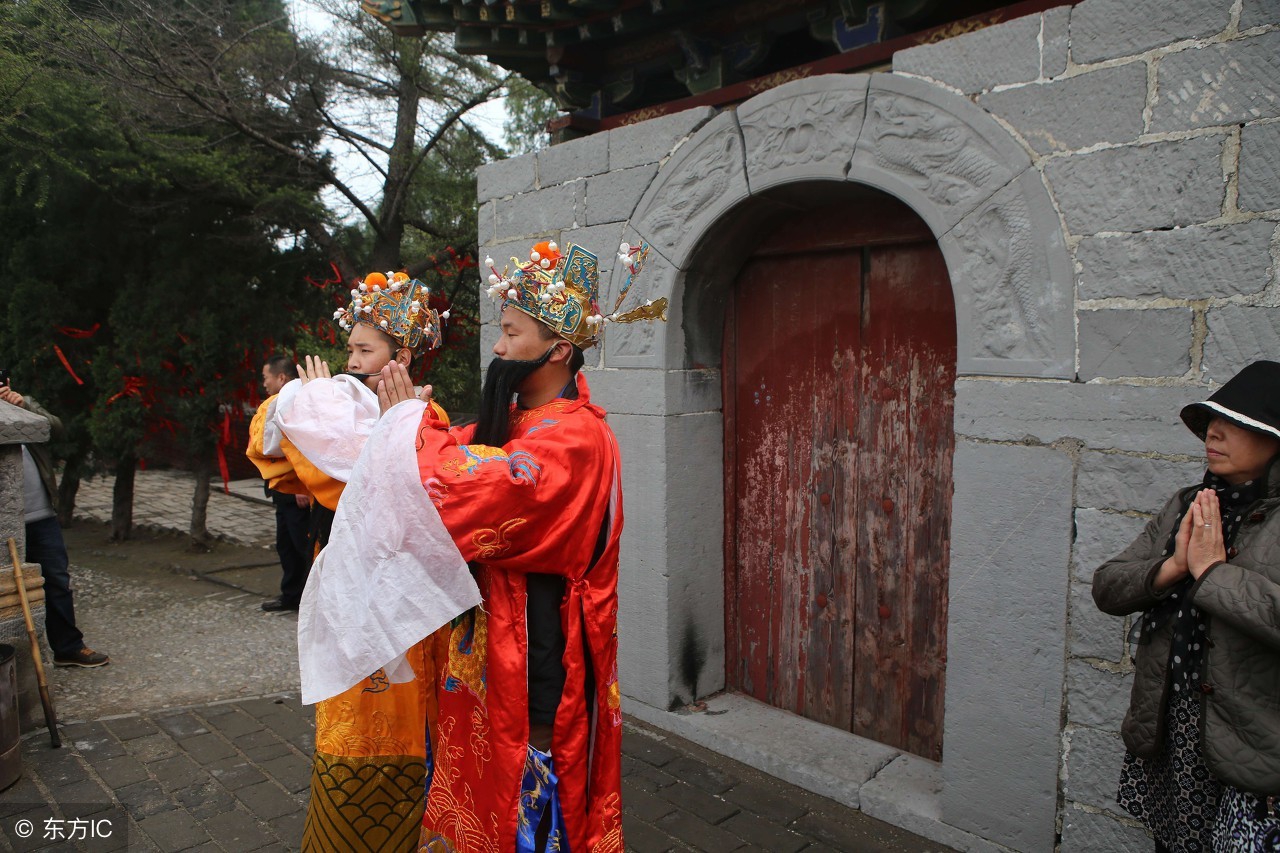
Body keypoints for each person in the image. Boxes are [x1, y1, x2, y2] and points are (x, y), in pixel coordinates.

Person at [360, 239, 662, 853]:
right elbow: (456, 447)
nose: (497, 348)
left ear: (559, 349)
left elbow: (473, 493)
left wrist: (411, 433)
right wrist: (414, 429)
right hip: (491, 652)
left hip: (540, 656)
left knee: (531, 802)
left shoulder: (577, 438)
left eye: (510, 333)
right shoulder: (523, 420)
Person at [278, 270, 456, 853]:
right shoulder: (337, 413)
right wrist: (307, 408)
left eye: (363, 349)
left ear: (401, 356)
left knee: (412, 719)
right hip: (352, 592)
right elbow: (283, 459)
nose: (349, 360)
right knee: (352, 719)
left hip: (405, 594)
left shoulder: (432, 421)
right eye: (350, 348)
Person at [1094, 359, 1280, 852]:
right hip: (1171, 724)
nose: (1213, 432)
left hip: (1253, 743)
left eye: (1235, 423)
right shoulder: (1187, 503)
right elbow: (1108, 585)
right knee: (1174, 844)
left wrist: (1214, 574)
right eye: (1210, 422)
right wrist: (1171, 568)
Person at [0, 384, 109, 668]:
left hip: (40, 512)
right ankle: (15, 655)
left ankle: (68, 647)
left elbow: (56, 430)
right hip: (4, 519)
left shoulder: (18, 400)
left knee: (57, 580)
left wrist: (24, 406)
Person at [246, 355, 312, 612]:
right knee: (286, 545)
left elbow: (303, 444)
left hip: (297, 488)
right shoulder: (278, 401)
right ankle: (291, 595)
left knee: (303, 546)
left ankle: (309, 599)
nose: (264, 383)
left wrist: (304, 486)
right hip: (282, 490)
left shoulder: (297, 401)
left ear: (281, 377)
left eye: (266, 377)